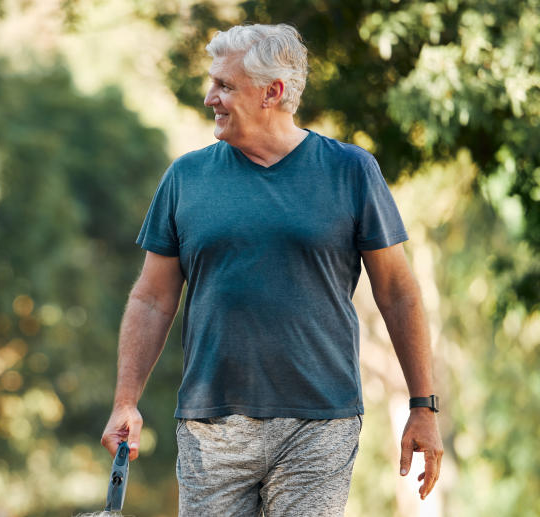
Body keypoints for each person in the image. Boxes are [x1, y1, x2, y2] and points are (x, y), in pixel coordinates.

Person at [100, 24, 443, 516]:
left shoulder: (350, 171)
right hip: (211, 427)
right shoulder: (186, 178)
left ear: (273, 92)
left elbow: (398, 293)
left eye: (224, 85)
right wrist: (126, 400)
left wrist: (422, 407)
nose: (208, 97)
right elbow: (151, 298)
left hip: (319, 422)